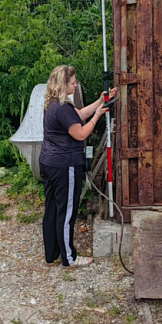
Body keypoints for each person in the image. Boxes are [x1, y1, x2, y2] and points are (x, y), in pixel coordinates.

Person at [39, 65, 117, 267]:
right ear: (63, 84)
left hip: (49, 162)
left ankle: (52, 254)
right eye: (73, 82)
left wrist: (100, 101)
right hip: (65, 165)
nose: (76, 85)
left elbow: (80, 115)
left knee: (52, 209)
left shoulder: (53, 103)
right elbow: (81, 133)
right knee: (66, 212)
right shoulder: (63, 108)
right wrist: (98, 115)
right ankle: (69, 258)